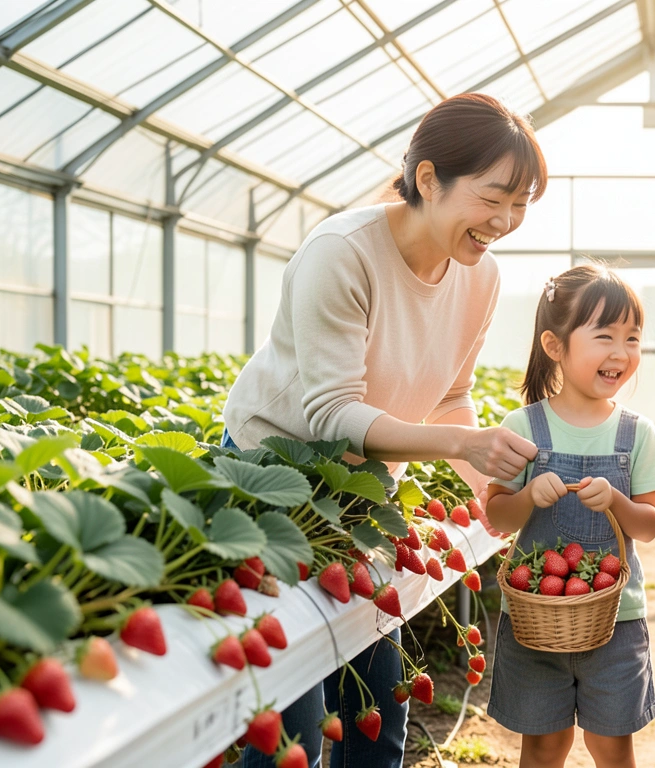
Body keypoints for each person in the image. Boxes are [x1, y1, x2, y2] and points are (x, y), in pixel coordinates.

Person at [223, 93, 545, 768]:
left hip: (363, 491)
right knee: (295, 715)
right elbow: (329, 415)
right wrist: (462, 444)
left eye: (521, 203)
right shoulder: (342, 253)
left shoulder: (479, 275)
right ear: (428, 180)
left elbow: (451, 396)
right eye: (494, 197)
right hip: (271, 482)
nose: (507, 220)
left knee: (379, 703)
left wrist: (495, 492)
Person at [483, 264, 655, 768]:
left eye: (632, 338)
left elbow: (650, 526)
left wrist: (616, 501)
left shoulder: (637, 433)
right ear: (555, 344)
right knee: (544, 744)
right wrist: (527, 499)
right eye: (604, 335)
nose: (621, 352)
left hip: (616, 620)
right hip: (534, 621)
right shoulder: (523, 426)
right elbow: (497, 514)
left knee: (611, 745)